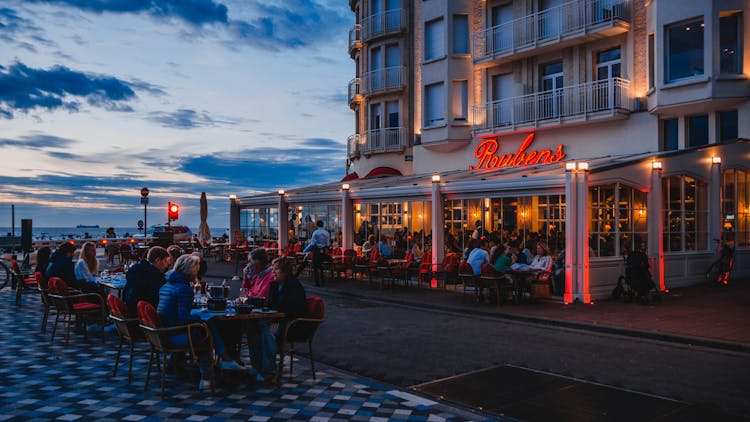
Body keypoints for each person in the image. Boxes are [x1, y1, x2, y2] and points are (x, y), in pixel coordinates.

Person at [157, 254, 243, 390]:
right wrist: (200, 319)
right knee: (205, 332)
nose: (197, 273)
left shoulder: (168, 283)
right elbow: (183, 317)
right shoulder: (184, 289)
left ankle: (225, 360)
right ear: (190, 271)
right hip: (173, 334)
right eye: (196, 270)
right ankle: (207, 376)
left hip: (161, 332)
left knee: (207, 324)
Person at [123, 246, 170, 317]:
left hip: (130, 307)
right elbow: (159, 299)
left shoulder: (135, 269)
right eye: (165, 261)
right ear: (157, 260)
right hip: (145, 313)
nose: (167, 265)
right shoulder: (155, 276)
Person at [303, 220, 330, 286]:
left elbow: (312, 243)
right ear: (323, 225)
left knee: (315, 266)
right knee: (321, 266)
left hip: (316, 250)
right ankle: (322, 279)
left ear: (317, 225)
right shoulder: (326, 233)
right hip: (323, 250)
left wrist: (306, 249)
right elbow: (328, 244)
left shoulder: (315, 233)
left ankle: (317, 282)